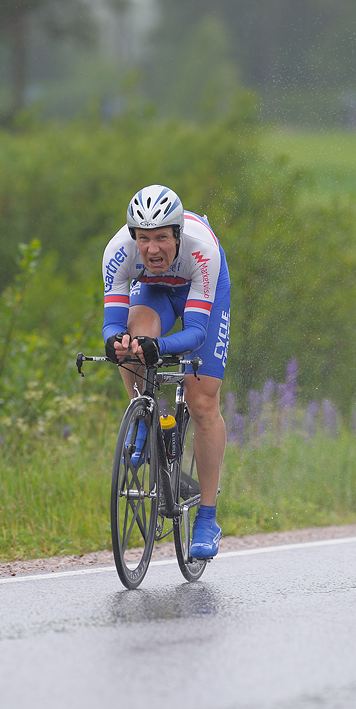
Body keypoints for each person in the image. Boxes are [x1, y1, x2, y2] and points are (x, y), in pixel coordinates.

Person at [102, 185, 230, 559]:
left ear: (177, 234)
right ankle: (144, 415)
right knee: (133, 341)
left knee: (201, 400)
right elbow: (112, 324)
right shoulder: (118, 252)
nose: (152, 248)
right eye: (144, 239)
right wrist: (115, 342)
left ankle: (207, 518)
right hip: (153, 292)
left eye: (161, 238)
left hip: (200, 293)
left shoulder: (202, 250)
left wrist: (161, 346)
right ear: (133, 237)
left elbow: (197, 332)